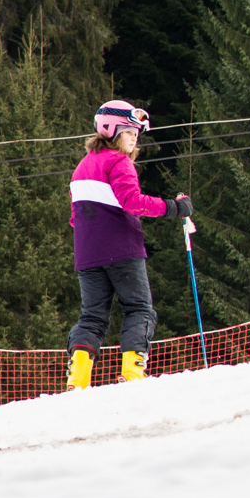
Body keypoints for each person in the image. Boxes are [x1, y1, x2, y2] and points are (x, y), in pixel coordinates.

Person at [65, 101, 194, 388]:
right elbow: (132, 202)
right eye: (128, 132)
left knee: (92, 317)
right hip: (122, 250)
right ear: (111, 131)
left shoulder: (81, 167)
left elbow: (75, 218)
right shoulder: (118, 161)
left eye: (136, 133)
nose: (134, 138)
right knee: (139, 309)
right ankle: (133, 373)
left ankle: (78, 377)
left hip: (87, 254)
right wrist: (174, 207)